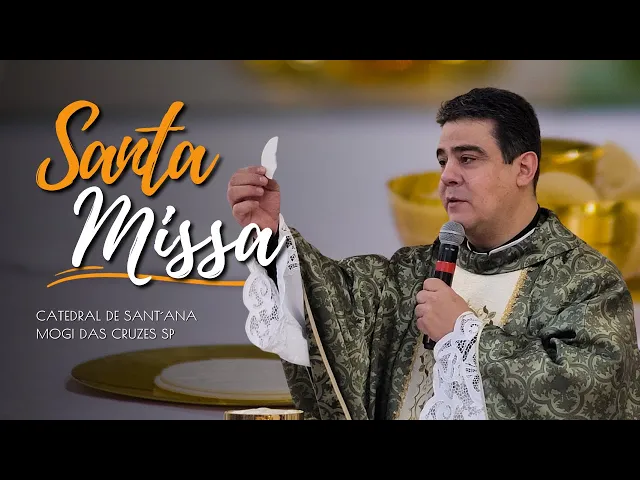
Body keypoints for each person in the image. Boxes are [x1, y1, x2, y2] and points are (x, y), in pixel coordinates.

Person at [227, 87, 640, 420]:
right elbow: (331, 305)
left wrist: (465, 334)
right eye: (443, 161)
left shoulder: (586, 280)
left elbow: (587, 393)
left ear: (524, 168)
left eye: (468, 159)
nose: (447, 177)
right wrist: (271, 236)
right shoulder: (413, 271)